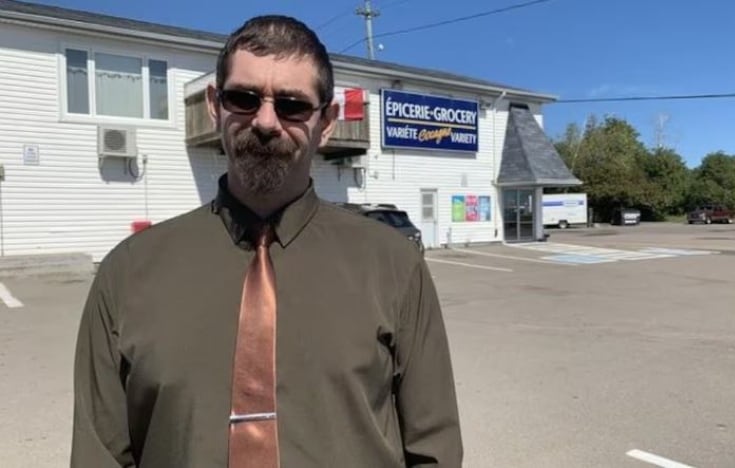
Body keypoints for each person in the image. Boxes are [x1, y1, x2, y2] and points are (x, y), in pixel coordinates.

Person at [70, 14, 463, 468]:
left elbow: (433, 449)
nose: (265, 121)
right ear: (216, 104)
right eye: (244, 97)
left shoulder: (395, 265)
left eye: (292, 105)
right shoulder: (127, 273)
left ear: (328, 120)